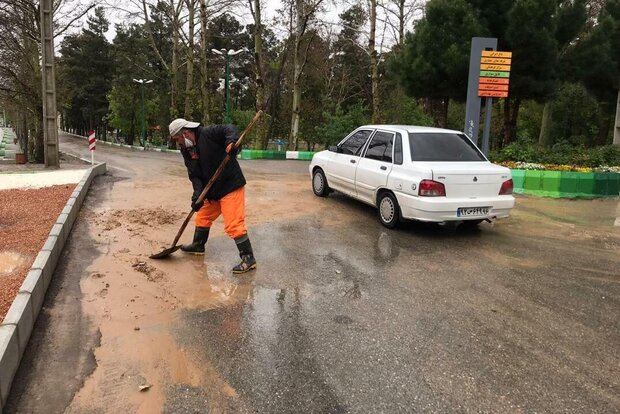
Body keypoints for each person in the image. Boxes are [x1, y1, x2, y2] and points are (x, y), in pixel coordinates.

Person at [168, 118, 257, 274]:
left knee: (234, 223)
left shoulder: (208, 133)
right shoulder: (187, 150)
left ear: (186, 133)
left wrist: (231, 142)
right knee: (202, 215)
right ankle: (198, 245)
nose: (178, 143)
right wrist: (197, 195)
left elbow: (229, 127)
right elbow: (194, 174)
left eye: (178, 139)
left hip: (230, 185)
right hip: (212, 191)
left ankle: (248, 258)